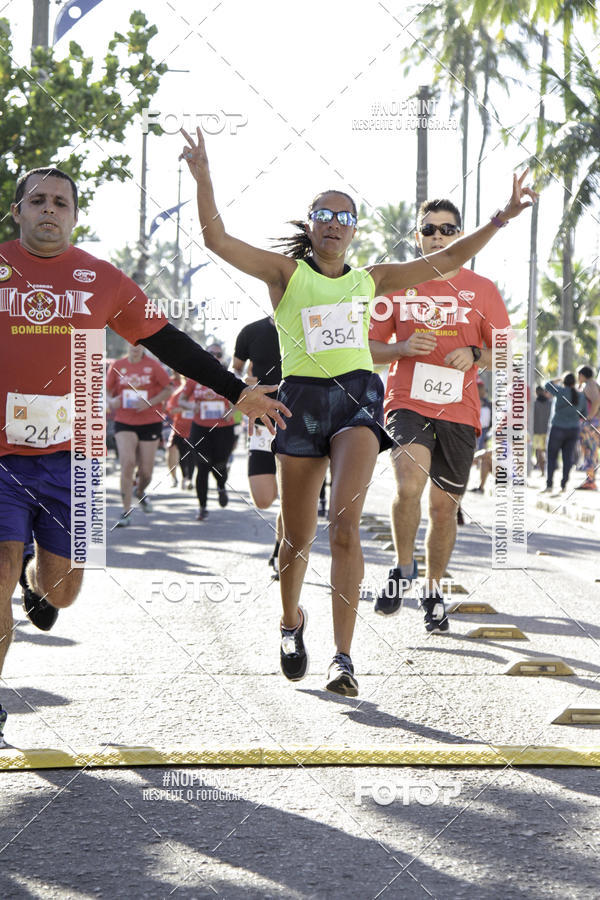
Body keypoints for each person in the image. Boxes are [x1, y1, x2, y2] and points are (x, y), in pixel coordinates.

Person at [181, 126, 536, 692]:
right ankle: (290, 620)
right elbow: (217, 239)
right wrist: (203, 177)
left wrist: (502, 216)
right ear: (312, 223)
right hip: (300, 404)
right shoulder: (285, 274)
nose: (333, 224)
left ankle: (342, 657)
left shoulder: (375, 280)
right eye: (324, 214)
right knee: (296, 535)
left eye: (344, 217)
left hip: (357, 402)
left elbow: (448, 258)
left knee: (344, 527)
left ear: (354, 231)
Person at [0, 166, 290, 743]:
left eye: (61, 202)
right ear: (18, 212)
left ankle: (38, 581)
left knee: (63, 590)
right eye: (38, 201)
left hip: (74, 458)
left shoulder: (101, 278)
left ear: (76, 216)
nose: (49, 210)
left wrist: (237, 390)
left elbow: (169, 341)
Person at [369, 198, 514, 632]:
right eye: (429, 229)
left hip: (461, 409)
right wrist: (398, 348)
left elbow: (509, 351)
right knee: (409, 483)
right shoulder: (396, 285)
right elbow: (366, 348)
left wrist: (475, 353)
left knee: (444, 508)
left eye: (447, 230)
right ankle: (402, 567)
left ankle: (433, 591)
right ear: (416, 236)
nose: (437, 236)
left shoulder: (482, 289)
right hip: (406, 399)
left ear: (461, 236)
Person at [233, 316, 284, 574]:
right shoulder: (251, 331)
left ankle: (281, 550)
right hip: (262, 424)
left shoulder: (311, 323)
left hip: (299, 422)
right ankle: (282, 546)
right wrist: (244, 385)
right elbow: (234, 372)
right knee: (264, 499)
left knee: (293, 498)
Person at [106, 345, 173, 526]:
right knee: (126, 463)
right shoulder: (118, 365)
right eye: (131, 343)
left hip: (150, 421)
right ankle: (126, 511)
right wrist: (111, 400)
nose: (135, 347)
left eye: (139, 344)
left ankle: (140, 490)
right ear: (126, 344)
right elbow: (106, 390)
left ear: (144, 346)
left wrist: (149, 403)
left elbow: (169, 388)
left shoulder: (153, 365)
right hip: (124, 420)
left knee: (146, 471)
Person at [181, 341, 238, 520]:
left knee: (219, 464)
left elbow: (241, 400)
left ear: (222, 358)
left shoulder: (228, 376)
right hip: (200, 428)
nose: (214, 356)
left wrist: (231, 411)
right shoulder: (194, 377)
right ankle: (202, 506)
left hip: (223, 429)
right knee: (202, 466)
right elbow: (182, 400)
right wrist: (192, 406)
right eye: (211, 352)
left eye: (218, 354)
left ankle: (221, 486)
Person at [542, 372, 587, 495]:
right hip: (573, 429)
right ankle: (564, 485)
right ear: (574, 383)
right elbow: (584, 414)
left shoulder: (560, 391)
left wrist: (558, 378)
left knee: (551, 457)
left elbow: (547, 385)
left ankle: (549, 485)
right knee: (568, 458)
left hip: (557, 428)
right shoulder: (581, 396)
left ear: (564, 382)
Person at [166, 374, 196, 488]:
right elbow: (171, 410)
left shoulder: (198, 392)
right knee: (181, 454)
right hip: (179, 429)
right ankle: (181, 477)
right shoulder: (178, 393)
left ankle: (189, 479)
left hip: (194, 429)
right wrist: (184, 408)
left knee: (191, 454)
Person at [575, 365, 600, 491]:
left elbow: (596, 400)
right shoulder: (592, 384)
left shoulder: (589, 385)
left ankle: (590, 481)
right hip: (594, 422)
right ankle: (590, 480)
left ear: (582, 375)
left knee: (589, 451)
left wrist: (589, 417)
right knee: (591, 451)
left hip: (592, 423)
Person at [532, 385, 552, 476]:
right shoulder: (550, 403)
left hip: (537, 430)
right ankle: (547, 470)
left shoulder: (535, 404)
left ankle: (543, 471)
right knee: (546, 451)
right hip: (548, 430)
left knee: (539, 451)